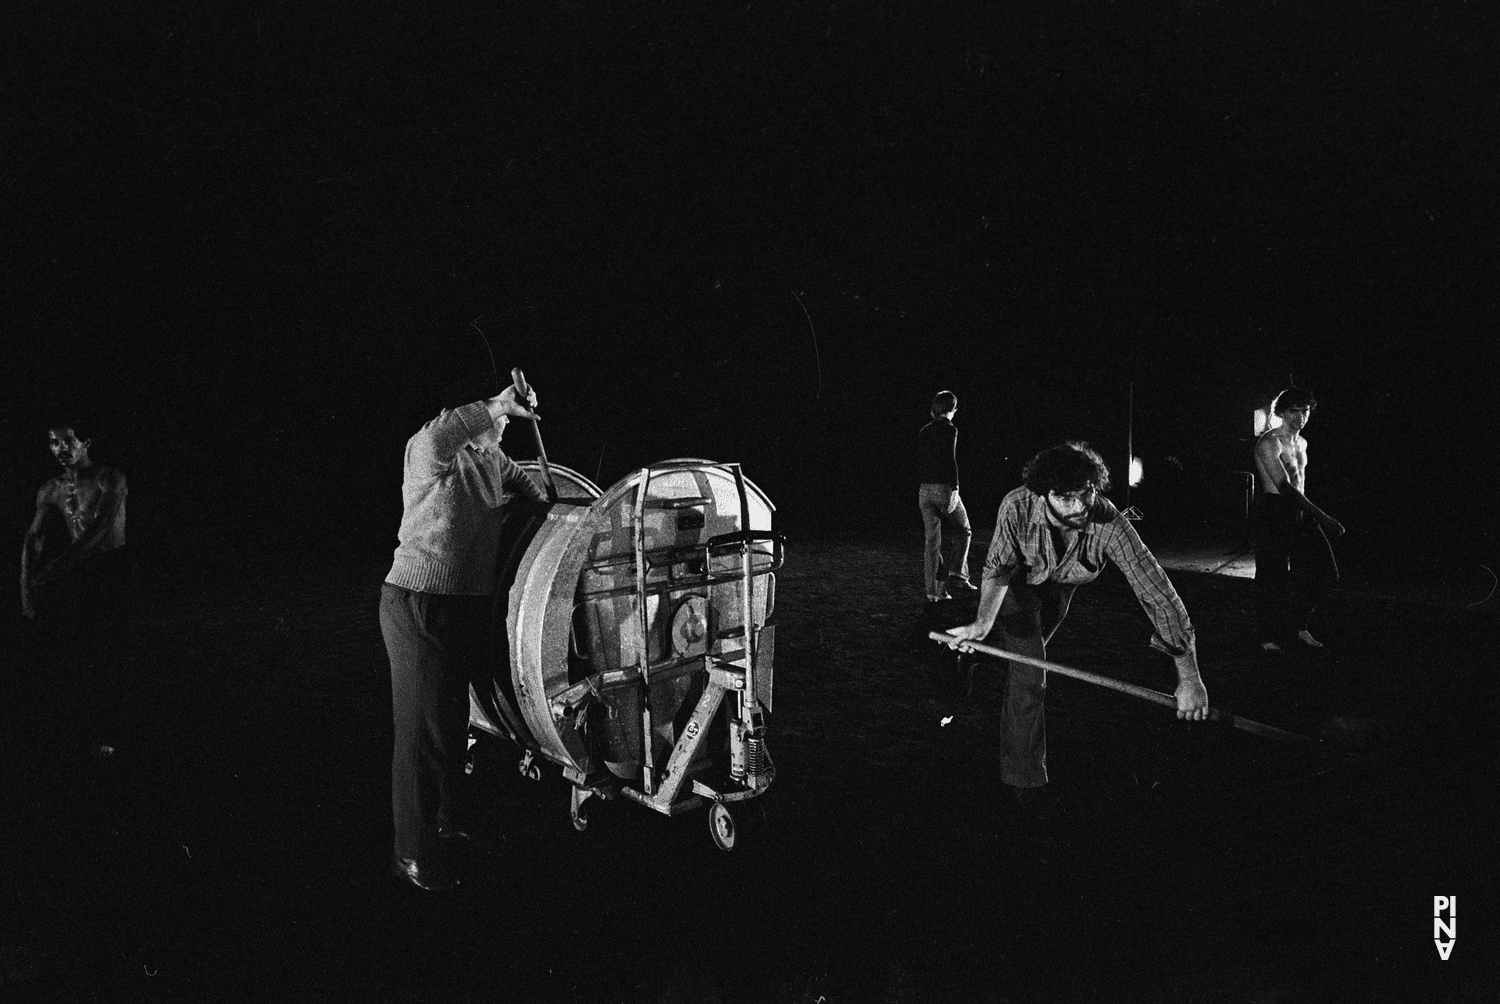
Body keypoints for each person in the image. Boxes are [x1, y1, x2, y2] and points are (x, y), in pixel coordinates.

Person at [943, 442, 1209, 817]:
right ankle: (1023, 780)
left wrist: (1190, 677)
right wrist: (982, 623)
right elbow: (999, 568)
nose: (1080, 506)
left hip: (1061, 588)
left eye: (1086, 493)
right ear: (1043, 494)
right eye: (1066, 498)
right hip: (1018, 587)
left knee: (1029, 660)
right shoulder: (1017, 505)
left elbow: (1156, 591)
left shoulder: (1108, 521)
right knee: (1031, 673)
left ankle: (984, 658)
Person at [380, 383, 547, 892]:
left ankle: (446, 826)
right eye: (496, 417)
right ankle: (412, 854)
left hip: (460, 609)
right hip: (420, 604)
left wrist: (543, 504)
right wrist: (497, 404)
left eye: (507, 419)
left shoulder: (491, 459)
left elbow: (528, 484)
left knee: (450, 728)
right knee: (421, 735)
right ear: (471, 420)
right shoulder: (430, 451)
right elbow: (443, 432)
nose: (504, 424)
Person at [20, 421, 133, 757]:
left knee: (112, 649)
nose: (61, 448)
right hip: (80, 568)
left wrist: (61, 563)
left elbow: (102, 526)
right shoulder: (51, 489)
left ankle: (112, 732)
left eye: (68, 440)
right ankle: (79, 730)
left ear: (86, 442)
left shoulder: (109, 477)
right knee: (77, 649)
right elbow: (34, 537)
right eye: (54, 442)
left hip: (111, 566)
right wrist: (24, 586)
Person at [1252, 387, 1343, 653]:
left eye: (1305, 411)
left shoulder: (1301, 443)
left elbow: (1300, 485)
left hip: (1299, 511)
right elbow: (1285, 487)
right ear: (1281, 412)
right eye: (1294, 411)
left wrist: (1310, 514)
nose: (1301, 417)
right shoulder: (1269, 443)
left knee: (1326, 574)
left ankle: (1297, 625)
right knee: (1272, 577)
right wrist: (1322, 515)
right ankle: (1268, 636)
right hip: (1275, 510)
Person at [917, 390, 978, 605]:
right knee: (964, 530)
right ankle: (958, 574)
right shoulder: (950, 429)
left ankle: (934, 592)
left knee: (932, 543)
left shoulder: (924, 430)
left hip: (924, 490)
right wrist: (955, 488)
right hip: (943, 489)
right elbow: (950, 460)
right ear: (952, 409)